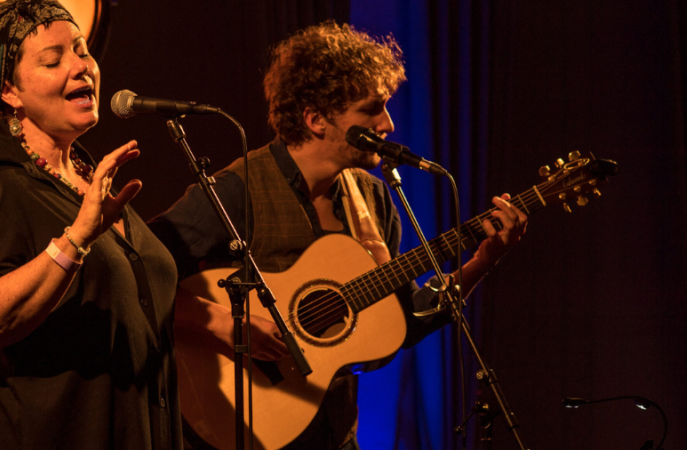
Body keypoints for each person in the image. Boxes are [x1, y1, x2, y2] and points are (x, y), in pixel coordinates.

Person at [149, 22, 527, 450]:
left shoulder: (373, 199)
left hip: (336, 431)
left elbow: (404, 320)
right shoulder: (238, 190)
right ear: (316, 119)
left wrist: (481, 262)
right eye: (372, 110)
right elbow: (138, 274)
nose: (388, 124)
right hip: (244, 424)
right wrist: (225, 324)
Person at [0, 1, 181, 449]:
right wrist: (77, 238)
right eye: (53, 60)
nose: (81, 66)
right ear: (10, 91)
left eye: (82, 50)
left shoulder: (87, 178)